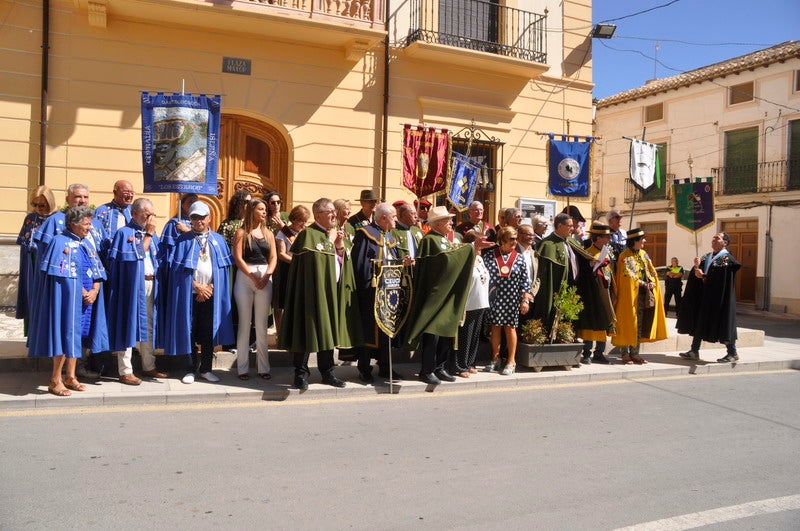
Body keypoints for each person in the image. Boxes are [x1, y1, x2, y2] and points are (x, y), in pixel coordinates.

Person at [28, 206, 108, 396]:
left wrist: (95, 291)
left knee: (77, 337)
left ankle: (70, 377)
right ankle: (55, 380)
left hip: (86, 301)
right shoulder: (59, 242)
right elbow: (63, 275)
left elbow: (98, 272)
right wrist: (82, 291)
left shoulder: (86, 244)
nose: (90, 227)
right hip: (68, 301)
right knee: (65, 336)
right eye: (86, 223)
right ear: (73, 223)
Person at [278, 198, 349, 390]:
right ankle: (300, 374)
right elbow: (304, 267)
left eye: (334, 211)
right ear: (318, 215)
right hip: (309, 293)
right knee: (306, 332)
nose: (334, 214)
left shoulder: (335, 235)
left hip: (331, 292)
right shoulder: (307, 235)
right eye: (330, 212)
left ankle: (328, 372)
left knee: (328, 331)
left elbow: (341, 263)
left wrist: (339, 246)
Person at [161, 201, 234, 384]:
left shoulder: (218, 240)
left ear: (209, 218)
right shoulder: (182, 240)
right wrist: (197, 287)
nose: (199, 221)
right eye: (194, 217)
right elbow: (177, 271)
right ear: (190, 220)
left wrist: (210, 288)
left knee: (208, 332)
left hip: (211, 294)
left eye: (202, 217)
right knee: (190, 330)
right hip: (189, 294)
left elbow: (224, 272)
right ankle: (190, 368)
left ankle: (206, 368)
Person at [403, 206, 474, 385]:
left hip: (447, 293)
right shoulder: (430, 240)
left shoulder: (444, 240)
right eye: (447, 220)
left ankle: (440, 367)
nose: (451, 222)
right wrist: (471, 248)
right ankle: (426, 370)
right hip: (434, 295)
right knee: (432, 333)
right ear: (438, 223)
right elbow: (445, 261)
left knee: (445, 331)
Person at [106, 198, 166, 384]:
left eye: (152, 214)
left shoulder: (151, 234)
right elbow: (137, 254)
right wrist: (148, 234)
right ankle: (125, 371)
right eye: (147, 214)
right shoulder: (125, 233)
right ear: (134, 214)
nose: (150, 218)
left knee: (148, 324)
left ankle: (149, 365)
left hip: (151, 283)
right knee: (128, 325)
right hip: (131, 286)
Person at [351, 202, 407, 383]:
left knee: (387, 330)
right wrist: (376, 268)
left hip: (389, 291)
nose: (396, 220)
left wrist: (402, 262)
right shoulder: (365, 234)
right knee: (369, 331)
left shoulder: (390, 238)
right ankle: (364, 368)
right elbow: (360, 263)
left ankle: (385, 366)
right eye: (394, 217)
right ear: (383, 218)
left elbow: (393, 261)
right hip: (371, 291)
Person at [677, 233, 741, 363]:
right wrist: (696, 266)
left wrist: (704, 276)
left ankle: (733, 353)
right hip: (705, 297)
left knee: (723, 322)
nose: (713, 240)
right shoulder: (707, 256)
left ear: (725, 243)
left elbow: (720, 278)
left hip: (720, 298)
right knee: (700, 321)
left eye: (717, 238)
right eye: (713, 238)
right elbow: (698, 274)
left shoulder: (726, 258)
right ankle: (694, 350)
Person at [232, 198, 277, 380]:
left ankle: (263, 368)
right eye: (261, 209)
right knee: (245, 323)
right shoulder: (241, 232)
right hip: (245, 277)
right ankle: (242, 368)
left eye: (265, 209)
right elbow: (238, 258)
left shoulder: (269, 234)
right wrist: (252, 276)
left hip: (265, 277)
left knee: (261, 325)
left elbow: (273, 257)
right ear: (252, 211)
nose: (264, 212)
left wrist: (266, 276)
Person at [611, 227, 667, 364]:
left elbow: (651, 271)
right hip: (628, 296)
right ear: (635, 241)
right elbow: (629, 275)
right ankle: (624, 354)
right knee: (627, 323)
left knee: (639, 325)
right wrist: (643, 283)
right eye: (642, 239)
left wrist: (652, 282)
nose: (645, 241)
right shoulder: (625, 256)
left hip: (643, 296)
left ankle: (635, 353)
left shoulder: (644, 254)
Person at [483, 227, 532, 376]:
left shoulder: (518, 257)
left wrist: (525, 300)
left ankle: (511, 361)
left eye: (516, 239)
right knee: (495, 327)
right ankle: (495, 359)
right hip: (495, 297)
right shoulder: (490, 255)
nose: (515, 242)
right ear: (502, 240)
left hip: (512, 297)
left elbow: (525, 280)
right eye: (511, 239)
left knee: (510, 328)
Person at [532, 212, 580, 334]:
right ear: (559, 226)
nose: (572, 228)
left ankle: (568, 333)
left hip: (573, 285)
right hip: (555, 285)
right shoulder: (548, 244)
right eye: (569, 225)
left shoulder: (573, 242)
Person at [16, 185, 57, 326]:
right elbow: (23, 242)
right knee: (31, 298)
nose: (38, 208)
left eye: (42, 205)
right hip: (31, 264)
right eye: (35, 204)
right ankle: (32, 337)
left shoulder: (57, 219)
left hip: (49, 265)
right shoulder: (30, 218)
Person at [576, 221, 616, 364]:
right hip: (591, 294)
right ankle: (586, 352)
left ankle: (599, 352)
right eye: (606, 237)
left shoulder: (607, 252)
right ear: (598, 238)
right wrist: (593, 266)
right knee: (591, 321)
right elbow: (584, 275)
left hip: (606, 291)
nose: (608, 239)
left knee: (604, 321)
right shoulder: (587, 253)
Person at [452, 250, 491, 378]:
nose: (480, 249)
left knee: (475, 336)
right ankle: (460, 366)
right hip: (469, 303)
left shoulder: (480, 258)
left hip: (481, 303)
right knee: (465, 336)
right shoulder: (465, 258)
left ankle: (470, 363)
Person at [273, 204, 310, 336]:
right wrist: (297, 262)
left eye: (306, 221)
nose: (304, 224)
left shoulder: (305, 233)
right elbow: (281, 254)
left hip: (300, 271)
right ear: (294, 219)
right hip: (285, 270)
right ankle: (280, 333)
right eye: (301, 221)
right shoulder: (282, 233)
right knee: (281, 303)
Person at [94, 179, 134, 254]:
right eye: (126, 192)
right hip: (107, 256)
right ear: (115, 192)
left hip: (130, 255)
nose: (130, 195)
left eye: (132, 192)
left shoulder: (135, 211)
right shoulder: (101, 211)